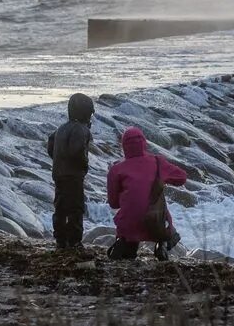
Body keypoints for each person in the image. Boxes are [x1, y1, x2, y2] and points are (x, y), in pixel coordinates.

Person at [106, 126, 187, 260]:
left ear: (124, 146)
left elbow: (113, 204)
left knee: (129, 223)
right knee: (157, 196)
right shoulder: (157, 162)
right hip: (154, 222)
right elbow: (182, 177)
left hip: (128, 225)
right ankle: (162, 243)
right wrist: (161, 180)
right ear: (144, 143)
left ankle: (125, 244)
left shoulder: (116, 169)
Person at [45, 93, 94, 249]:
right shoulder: (82, 129)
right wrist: (84, 164)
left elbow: (50, 143)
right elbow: (77, 151)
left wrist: (57, 159)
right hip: (73, 176)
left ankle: (60, 238)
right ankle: (74, 240)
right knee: (75, 208)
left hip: (59, 173)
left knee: (60, 206)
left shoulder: (61, 128)